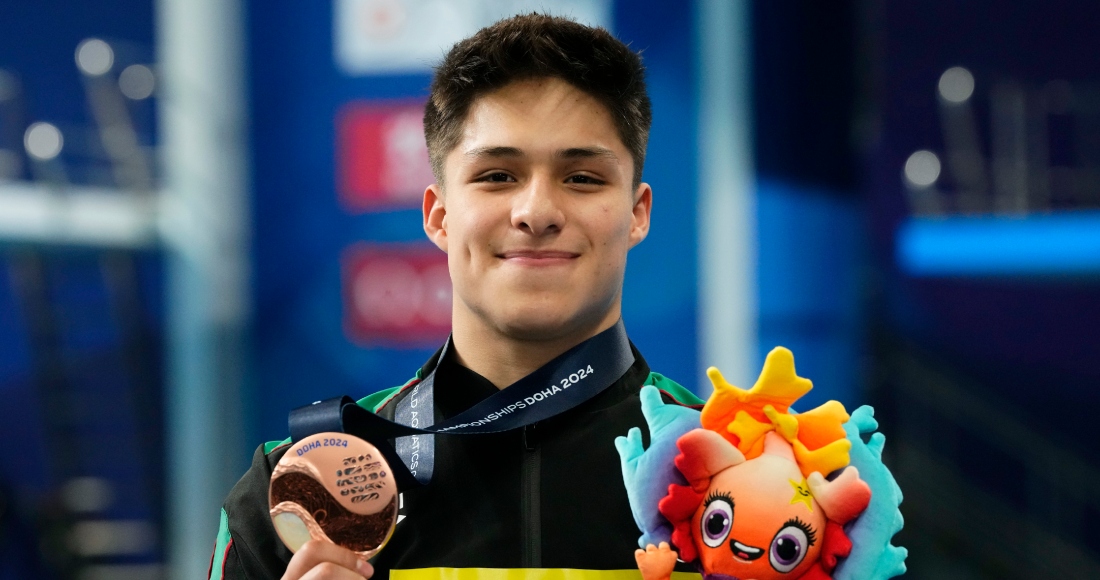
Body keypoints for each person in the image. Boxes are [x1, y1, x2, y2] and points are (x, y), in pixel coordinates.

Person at [208, 13, 703, 580]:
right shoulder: (299, 496)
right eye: (497, 175)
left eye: (583, 178)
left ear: (637, 213)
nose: (536, 212)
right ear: (439, 216)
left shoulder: (735, 471)